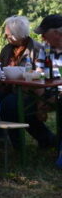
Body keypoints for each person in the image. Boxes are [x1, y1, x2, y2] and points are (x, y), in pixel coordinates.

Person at [0, 16, 55, 149]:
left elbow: (43, 76)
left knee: (8, 106)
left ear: (18, 35)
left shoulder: (37, 49)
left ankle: (18, 145)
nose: (6, 38)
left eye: (8, 35)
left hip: (30, 92)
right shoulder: (7, 49)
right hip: (8, 88)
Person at [33, 14, 62, 166]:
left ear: (57, 33)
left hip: (59, 93)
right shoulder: (46, 48)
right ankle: (48, 140)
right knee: (14, 104)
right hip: (49, 91)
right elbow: (39, 73)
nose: (42, 38)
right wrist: (40, 101)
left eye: (44, 34)